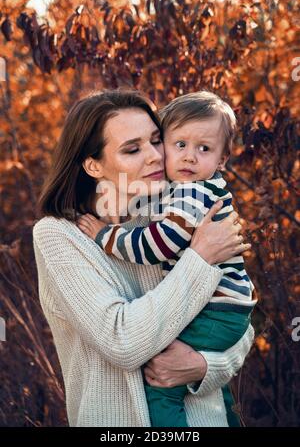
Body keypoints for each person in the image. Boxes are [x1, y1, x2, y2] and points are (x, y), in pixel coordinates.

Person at [33, 90, 254, 427]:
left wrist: (204, 367)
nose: (155, 156)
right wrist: (200, 257)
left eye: (156, 140)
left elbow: (240, 324)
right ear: (93, 165)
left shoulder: (172, 213)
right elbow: (123, 341)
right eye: (133, 149)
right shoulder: (59, 236)